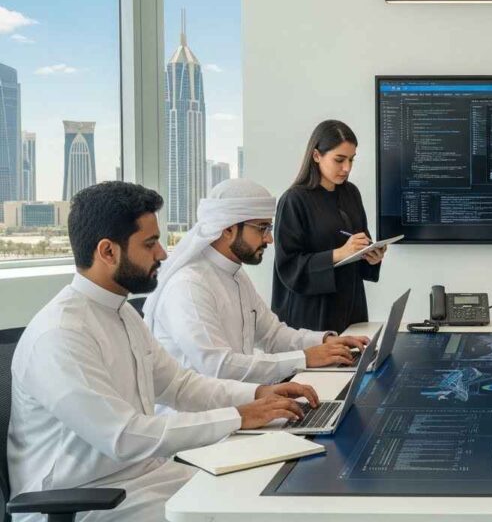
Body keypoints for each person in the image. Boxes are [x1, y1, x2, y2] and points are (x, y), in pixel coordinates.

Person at [7, 182, 320, 522]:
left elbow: (179, 386)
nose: (163, 254)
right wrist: (240, 416)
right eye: (150, 243)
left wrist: (258, 395)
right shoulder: (60, 334)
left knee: (260, 496)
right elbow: (123, 436)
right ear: (108, 251)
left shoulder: (122, 312)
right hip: (83, 501)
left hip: (141, 479)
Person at [145, 179, 369, 384]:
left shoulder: (236, 274)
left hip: (241, 404)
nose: (269, 239)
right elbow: (219, 367)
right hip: (201, 421)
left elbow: (272, 335)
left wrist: (326, 340)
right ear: (229, 229)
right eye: (262, 228)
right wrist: (304, 358)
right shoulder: (189, 286)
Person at [272, 120, 386, 333]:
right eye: (339, 160)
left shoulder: (351, 193)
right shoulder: (293, 200)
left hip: (351, 308)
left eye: (351, 160)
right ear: (316, 156)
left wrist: (371, 256)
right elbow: (288, 266)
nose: (347, 168)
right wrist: (339, 253)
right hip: (311, 315)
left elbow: (360, 245)